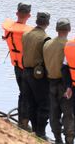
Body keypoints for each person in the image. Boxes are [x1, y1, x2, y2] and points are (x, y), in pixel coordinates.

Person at [43, 18, 75, 144]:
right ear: (69, 29)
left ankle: (57, 139)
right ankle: (69, 140)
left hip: (50, 82)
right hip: (64, 84)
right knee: (68, 114)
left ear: (56, 29)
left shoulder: (47, 44)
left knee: (54, 113)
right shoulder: (69, 45)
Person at [2, 3, 33, 130]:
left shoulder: (8, 29)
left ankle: (22, 120)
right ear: (29, 15)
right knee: (27, 95)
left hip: (16, 65)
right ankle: (24, 123)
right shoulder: (29, 32)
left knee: (22, 93)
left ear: (16, 13)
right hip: (26, 67)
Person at [21, 11, 51, 139]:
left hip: (25, 72)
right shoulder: (45, 39)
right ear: (48, 23)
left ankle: (34, 130)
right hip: (38, 76)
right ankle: (41, 133)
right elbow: (47, 59)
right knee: (44, 104)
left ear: (37, 21)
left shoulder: (26, 34)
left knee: (31, 102)